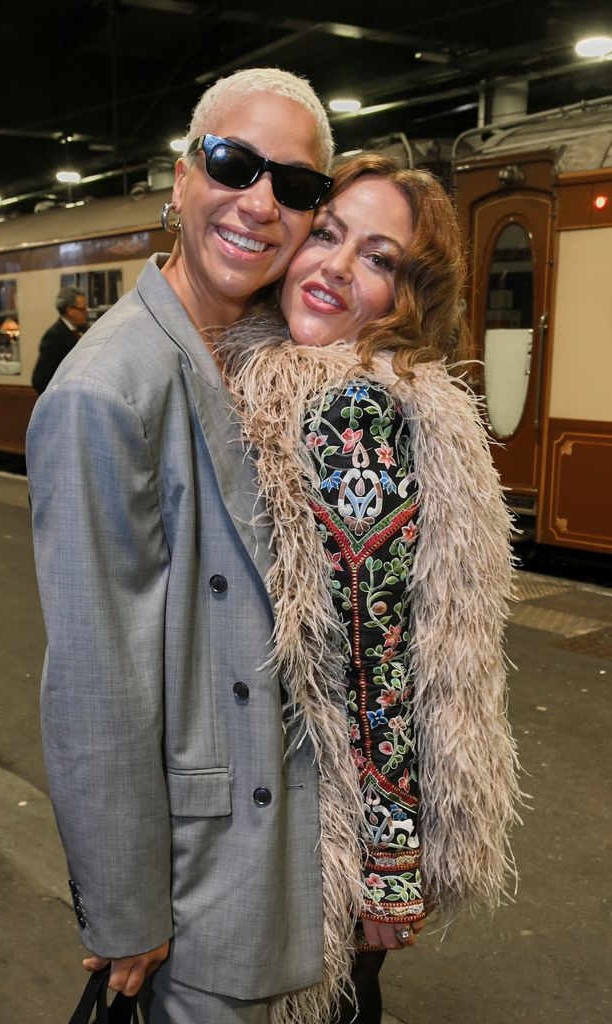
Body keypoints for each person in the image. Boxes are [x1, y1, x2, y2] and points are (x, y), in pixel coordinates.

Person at [26, 68, 340, 1024]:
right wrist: (126, 907)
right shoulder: (104, 390)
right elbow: (94, 674)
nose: (259, 203)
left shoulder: (275, 354)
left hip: (288, 843)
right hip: (199, 876)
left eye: (295, 186)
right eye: (234, 163)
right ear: (180, 176)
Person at [218, 153, 521, 1024]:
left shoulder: (354, 411)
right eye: (328, 234)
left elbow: (376, 649)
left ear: (404, 295)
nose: (339, 268)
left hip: (325, 827)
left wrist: (388, 866)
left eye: (380, 259)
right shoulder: (278, 375)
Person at [31, 286, 89, 394]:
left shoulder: (84, 330)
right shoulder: (54, 336)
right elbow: (39, 380)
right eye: (83, 308)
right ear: (70, 311)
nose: (87, 312)